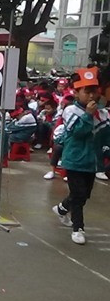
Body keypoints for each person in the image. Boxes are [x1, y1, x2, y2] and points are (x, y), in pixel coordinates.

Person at [53, 67, 102, 245]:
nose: (91, 96)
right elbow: (78, 132)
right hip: (74, 159)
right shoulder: (70, 111)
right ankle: (78, 228)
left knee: (83, 195)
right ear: (76, 92)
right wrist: (88, 115)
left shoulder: (99, 110)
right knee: (79, 194)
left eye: (94, 92)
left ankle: (62, 208)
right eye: (86, 92)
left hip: (90, 161)